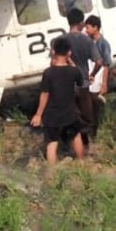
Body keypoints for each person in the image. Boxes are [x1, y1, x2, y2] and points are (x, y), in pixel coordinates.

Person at [32, 36, 86, 164]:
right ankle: (82, 162)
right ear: (69, 53)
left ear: (53, 52)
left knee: (52, 143)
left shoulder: (48, 73)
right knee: (76, 136)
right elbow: (80, 81)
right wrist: (70, 61)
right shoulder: (74, 71)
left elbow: (44, 94)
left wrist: (38, 114)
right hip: (69, 112)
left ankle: (52, 171)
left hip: (52, 114)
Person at [61, 8, 101, 149]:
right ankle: (88, 143)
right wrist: (93, 74)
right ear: (81, 23)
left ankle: (72, 145)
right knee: (87, 116)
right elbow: (99, 62)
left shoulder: (61, 40)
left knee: (72, 117)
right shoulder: (87, 40)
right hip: (83, 83)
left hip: (67, 85)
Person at [84, 15, 113, 133]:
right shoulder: (89, 41)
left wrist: (104, 83)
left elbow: (106, 64)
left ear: (95, 27)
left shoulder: (103, 44)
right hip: (91, 73)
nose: (86, 30)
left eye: (88, 27)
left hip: (98, 75)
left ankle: (96, 126)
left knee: (94, 101)